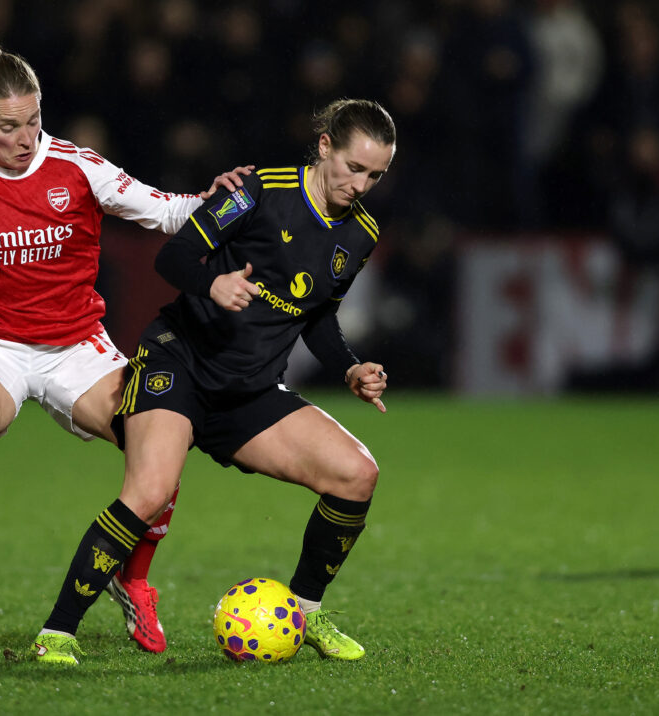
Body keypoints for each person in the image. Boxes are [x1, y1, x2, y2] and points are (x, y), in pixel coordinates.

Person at [0, 37, 250, 655]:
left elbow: (164, 211)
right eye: (9, 126)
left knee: (161, 443)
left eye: (34, 119)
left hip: (75, 346)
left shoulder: (77, 166)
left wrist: (221, 202)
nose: (27, 136)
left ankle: (134, 581)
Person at [31, 99, 395, 665]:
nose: (361, 184)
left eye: (375, 175)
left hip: (247, 390)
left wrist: (348, 366)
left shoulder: (360, 233)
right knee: (150, 492)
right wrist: (214, 285)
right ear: (325, 147)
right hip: (180, 363)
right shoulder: (259, 190)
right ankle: (58, 632)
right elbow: (174, 258)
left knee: (357, 475)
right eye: (354, 167)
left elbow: (318, 316)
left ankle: (307, 613)